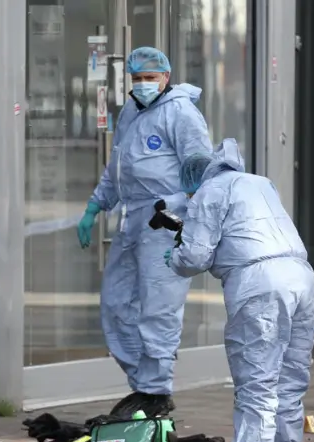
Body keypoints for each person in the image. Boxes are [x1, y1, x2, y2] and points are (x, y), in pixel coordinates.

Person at [165, 139, 314, 442]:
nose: (189, 196)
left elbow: (195, 257)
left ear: (195, 180)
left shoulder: (208, 192)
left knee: (256, 378)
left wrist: (174, 256)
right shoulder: (259, 183)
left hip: (259, 282)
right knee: (290, 380)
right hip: (300, 275)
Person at [76, 47, 213, 418]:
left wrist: (179, 210)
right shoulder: (131, 112)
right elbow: (117, 167)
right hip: (132, 218)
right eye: (136, 78)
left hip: (165, 220)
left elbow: (201, 173)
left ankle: (155, 389)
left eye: (150, 77)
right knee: (116, 303)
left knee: (158, 307)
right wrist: (95, 205)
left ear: (165, 77)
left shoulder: (182, 114)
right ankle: (145, 386)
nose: (142, 84)